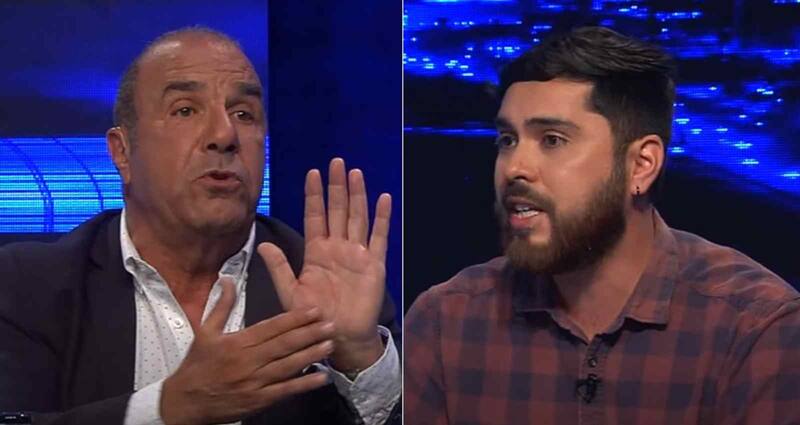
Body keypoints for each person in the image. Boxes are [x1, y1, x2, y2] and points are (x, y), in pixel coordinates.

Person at [0, 27, 400, 425]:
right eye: (185, 110)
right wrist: (167, 408)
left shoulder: (328, 282)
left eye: (244, 114)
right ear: (122, 152)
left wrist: (357, 355)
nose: (224, 135)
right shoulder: (29, 284)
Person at [404, 26, 800, 424]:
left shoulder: (754, 328)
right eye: (507, 140)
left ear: (641, 165)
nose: (513, 169)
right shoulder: (446, 321)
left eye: (552, 140)